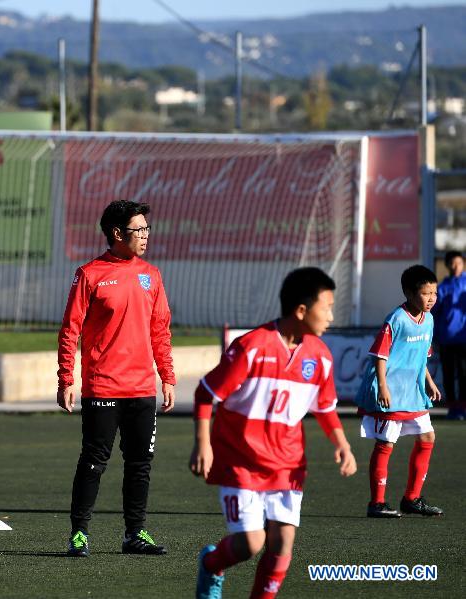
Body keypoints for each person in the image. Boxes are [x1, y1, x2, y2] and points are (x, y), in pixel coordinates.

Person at [190, 267, 356, 599]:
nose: (331, 316)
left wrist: (342, 443)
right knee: (252, 543)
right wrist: (202, 444)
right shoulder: (251, 347)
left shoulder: (320, 357)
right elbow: (206, 393)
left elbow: (323, 406)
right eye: (327, 307)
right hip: (241, 460)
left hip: (287, 464)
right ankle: (212, 564)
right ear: (301, 310)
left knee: (282, 545)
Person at [57, 199, 176, 558]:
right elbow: (70, 330)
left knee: (140, 465)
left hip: (141, 389)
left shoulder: (151, 275)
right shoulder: (89, 274)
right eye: (137, 230)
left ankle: (135, 534)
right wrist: (67, 377)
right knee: (93, 462)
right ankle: (79, 534)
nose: (144, 236)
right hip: (103, 388)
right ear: (116, 233)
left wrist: (167, 376)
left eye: (146, 229)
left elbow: (161, 329)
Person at [356, 264, 443, 519]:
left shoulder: (429, 320)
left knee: (427, 438)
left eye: (434, 294)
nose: (431, 299)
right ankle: (377, 503)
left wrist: (429, 381)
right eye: (425, 293)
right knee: (385, 444)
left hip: (413, 391)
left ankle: (412, 498)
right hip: (391, 392)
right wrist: (382, 386)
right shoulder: (396, 319)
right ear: (408, 292)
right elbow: (380, 356)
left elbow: (421, 357)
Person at [432, 250, 466, 420]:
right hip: (446, 339)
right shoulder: (442, 287)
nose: (455, 266)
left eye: (458, 263)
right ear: (447, 265)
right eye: (452, 263)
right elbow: (435, 315)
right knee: (449, 375)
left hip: (464, 339)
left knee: (464, 375)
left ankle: (463, 408)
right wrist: (434, 337)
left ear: (463, 264)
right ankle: (453, 409)